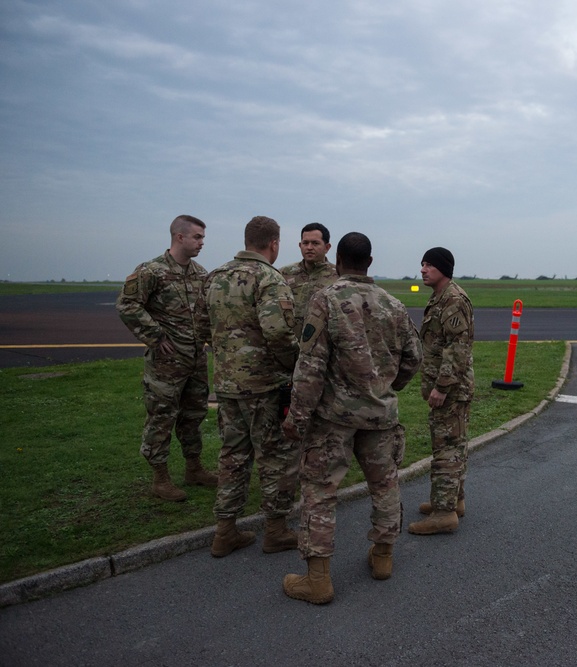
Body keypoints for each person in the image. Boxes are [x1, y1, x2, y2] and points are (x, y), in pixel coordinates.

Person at [281, 232, 422, 604]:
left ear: (338, 260)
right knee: (385, 485)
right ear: (369, 263)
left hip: (334, 419)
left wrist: (297, 417)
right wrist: (387, 386)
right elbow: (414, 357)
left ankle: (318, 579)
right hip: (380, 416)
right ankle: (382, 557)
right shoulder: (393, 304)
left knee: (320, 492)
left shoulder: (325, 299)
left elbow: (309, 367)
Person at [199, 216, 300, 557]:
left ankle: (225, 531)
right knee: (273, 457)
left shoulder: (215, 276)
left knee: (232, 457)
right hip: (263, 386)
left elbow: (201, 327)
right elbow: (278, 333)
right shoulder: (270, 279)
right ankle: (276, 530)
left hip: (227, 385)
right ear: (273, 243)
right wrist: (295, 365)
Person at [116, 214, 217, 503]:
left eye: (202, 238)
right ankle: (160, 478)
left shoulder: (200, 273)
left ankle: (194, 469)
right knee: (161, 417)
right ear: (179, 237)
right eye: (197, 237)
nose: (201, 243)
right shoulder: (152, 271)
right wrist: (156, 336)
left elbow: (205, 314)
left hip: (195, 360)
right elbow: (127, 304)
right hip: (165, 364)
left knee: (193, 416)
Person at [408, 247, 475, 536]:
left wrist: (441, 388)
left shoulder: (453, 300)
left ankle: (444, 513)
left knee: (446, 448)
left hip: (449, 390)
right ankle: (453, 501)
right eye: (422, 264)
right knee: (454, 444)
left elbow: (457, 349)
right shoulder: (440, 297)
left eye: (429, 265)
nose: (423, 269)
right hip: (449, 388)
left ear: (443, 268)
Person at [279, 222, 339, 338]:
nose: (309, 247)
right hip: (290, 346)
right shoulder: (283, 274)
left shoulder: (338, 276)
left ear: (327, 247)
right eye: (305, 243)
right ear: (300, 245)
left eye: (315, 243)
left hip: (323, 347)